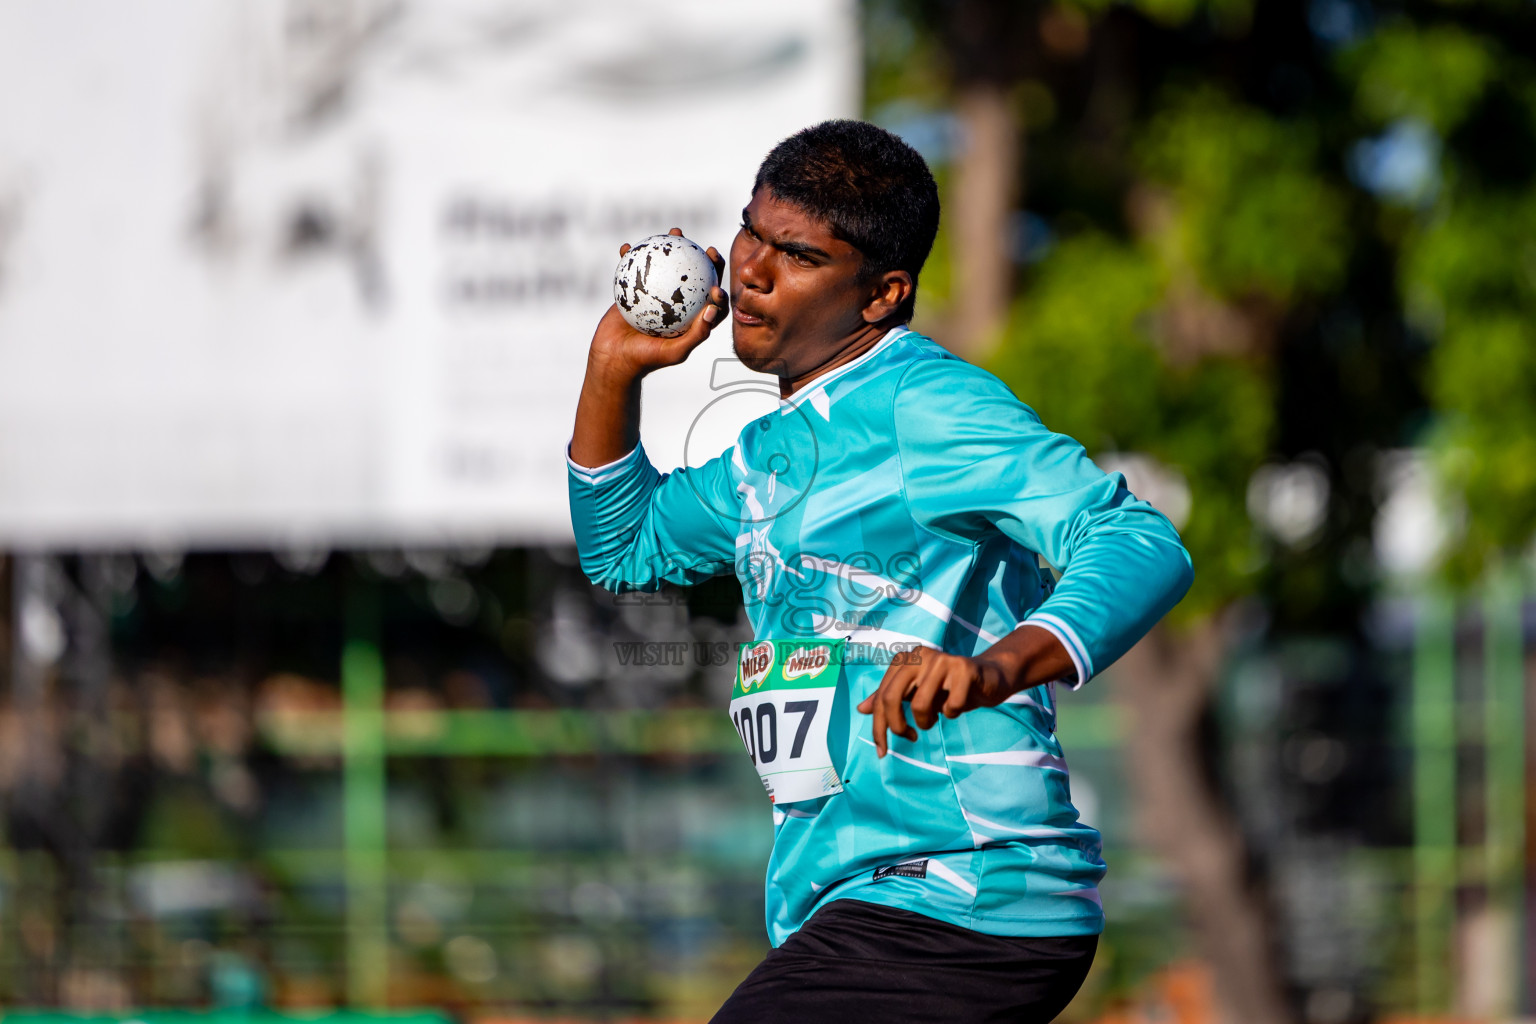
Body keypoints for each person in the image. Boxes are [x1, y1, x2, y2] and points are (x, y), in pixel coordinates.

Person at [567, 120, 1193, 1024]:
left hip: (964, 888)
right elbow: (623, 548)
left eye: (799, 255)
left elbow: (1137, 539)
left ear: (882, 293)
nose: (752, 271)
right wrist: (612, 369)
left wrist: (995, 669)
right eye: (751, 231)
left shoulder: (927, 407)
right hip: (852, 899)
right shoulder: (767, 455)